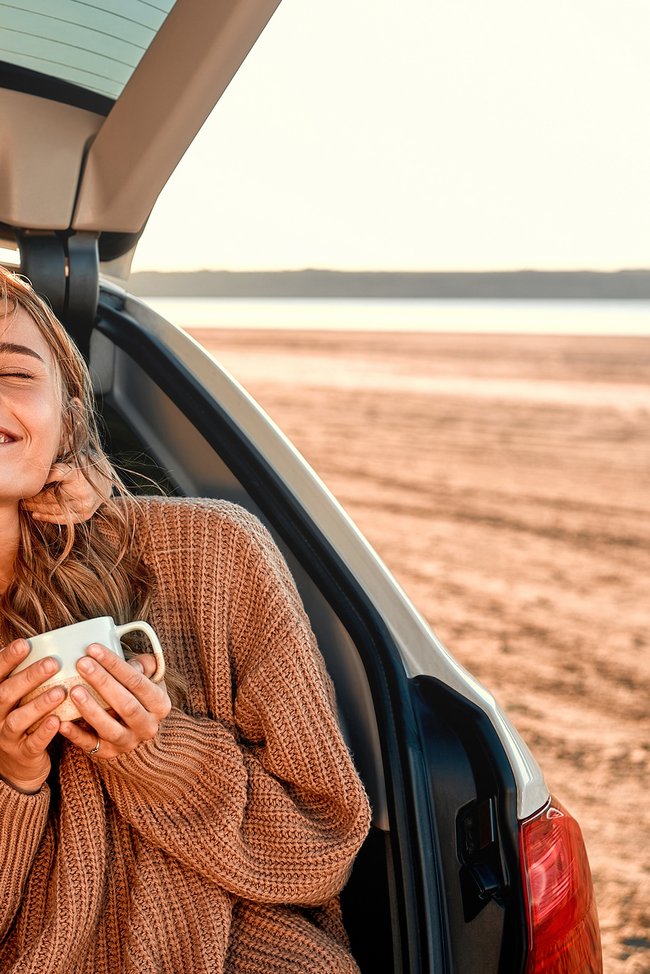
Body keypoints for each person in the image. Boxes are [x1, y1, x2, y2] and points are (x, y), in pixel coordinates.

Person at [0, 267, 371, 974]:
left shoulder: (216, 552)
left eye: (14, 374)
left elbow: (320, 847)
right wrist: (12, 775)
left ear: (68, 419)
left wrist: (155, 751)